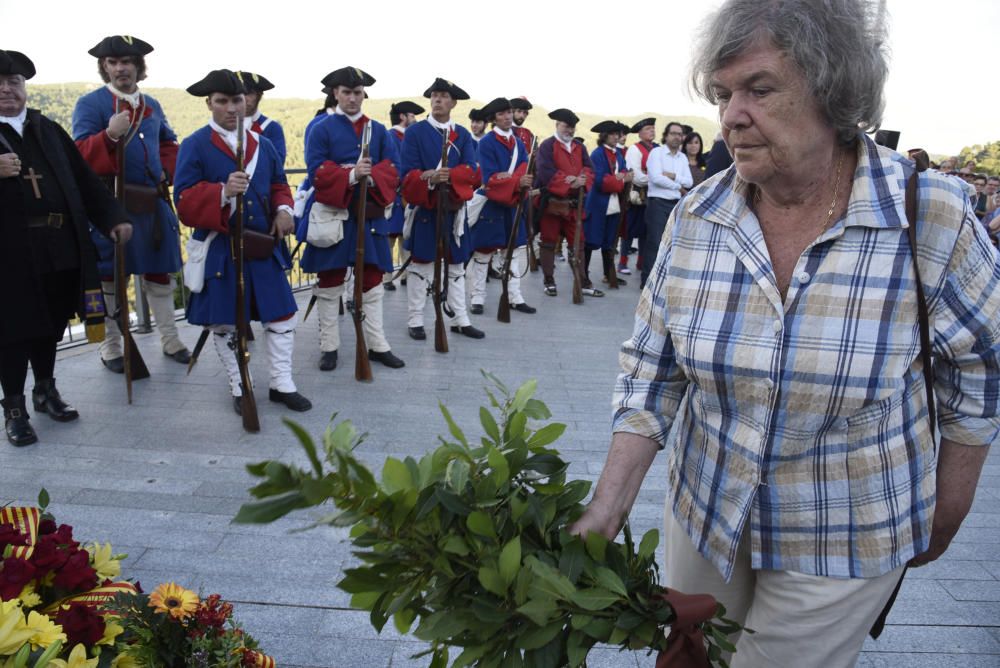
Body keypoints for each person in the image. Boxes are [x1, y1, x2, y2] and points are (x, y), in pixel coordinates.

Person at [572, 2, 999, 667]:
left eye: (759, 88)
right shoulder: (699, 214)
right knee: (694, 658)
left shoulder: (931, 215)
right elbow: (652, 371)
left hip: (846, 531)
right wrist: (609, 504)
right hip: (706, 512)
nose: (731, 114)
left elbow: (979, 371)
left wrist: (948, 507)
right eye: (722, 94)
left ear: (831, 88)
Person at [0, 49, 132, 446]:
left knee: (50, 324)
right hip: (9, 254)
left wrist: (113, 217)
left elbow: (84, 181)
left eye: (15, 82)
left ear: (24, 88)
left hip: (59, 247)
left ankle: (45, 391)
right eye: (0, 83)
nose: (7, 89)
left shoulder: (47, 130)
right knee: (11, 332)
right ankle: (15, 409)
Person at [173, 69, 311, 414]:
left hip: (262, 243)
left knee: (280, 317)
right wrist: (220, 193)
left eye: (237, 100)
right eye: (223, 101)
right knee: (227, 322)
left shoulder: (261, 144)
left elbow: (279, 182)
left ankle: (282, 383)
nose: (232, 108)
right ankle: (240, 385)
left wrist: (283, 209)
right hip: (222, 247)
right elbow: (184, 202)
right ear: (209, 103)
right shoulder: (194, 145)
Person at [72, 35, 190, 371]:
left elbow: (167, 142)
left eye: (128, 61)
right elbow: (79, 156)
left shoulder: (151, 104)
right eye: (113, 62)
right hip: (111, 204)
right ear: (105, 67)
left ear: (139, 66)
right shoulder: (91, 105)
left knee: (159, 274)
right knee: (110, 278)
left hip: (151, 201)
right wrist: (108, 136)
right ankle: (111, 347)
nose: (121, 68)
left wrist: (167, 170)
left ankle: (170, 340)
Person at [297, 66, 405, 372]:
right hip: (334, 215)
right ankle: (329, 346)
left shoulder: (379, 130)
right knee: (329, 281)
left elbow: (393, 168)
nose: (353, 99)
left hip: (368, 217)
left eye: (358, 93)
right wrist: (351, 173)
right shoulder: (321, 129)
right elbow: (316, 171)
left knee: (372, 281)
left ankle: (377, 344)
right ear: (336, 94)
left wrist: (369, 177)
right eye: (347, 93)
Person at [400, 77, 483, 342]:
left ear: (453, 102)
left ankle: (460, 319)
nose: (437, 100)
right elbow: (407, 174)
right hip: (426, 209)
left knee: (457, 266)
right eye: (434, 95)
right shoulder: (415, 132)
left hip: (454, 210)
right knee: (421, 266)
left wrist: (451, 176)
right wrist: (431, 178)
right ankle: (415, 319)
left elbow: (473, 172)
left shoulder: (463, 135)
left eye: (444, 96)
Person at [467, 97, 536, 316]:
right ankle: (477, 297)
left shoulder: (517, 142)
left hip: (512, 202)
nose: (507, 117)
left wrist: (514, 179)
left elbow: (524, 167)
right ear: (494, 119)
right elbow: (490, 178)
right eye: (502, 114)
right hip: (492, 204)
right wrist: (517, 181)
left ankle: (515, 296)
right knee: (483, 253)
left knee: (512, 252)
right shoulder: (486, 142)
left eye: (509, 113)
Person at [533, 108, 594, 297]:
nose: (570, 131)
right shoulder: (547, 146)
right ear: (557, 125)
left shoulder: (579, 147)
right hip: (552, 203)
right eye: (566, 127)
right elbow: (545, 172)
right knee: (549, 242)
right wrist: (568, 180)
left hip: (574, 204)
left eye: (572, 128)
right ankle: (549, 280)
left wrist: (582, 179)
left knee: (579, 243)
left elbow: (589, 169)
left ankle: (582, 280)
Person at [640, 121, 691, 288]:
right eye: (673, 133)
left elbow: (689, 182)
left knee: (672, 245)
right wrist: (678, 186)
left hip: (676, 205)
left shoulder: (682, 157)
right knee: (655, 243)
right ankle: (648, 282)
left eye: (679, 134)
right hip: (657, 204)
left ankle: (663, 282)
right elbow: (655, 178)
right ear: (666, 135)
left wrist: (673, 176)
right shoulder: (656, 153)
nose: (677, 137)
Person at [584, 120, 632, 290]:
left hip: (613, 204)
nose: (615, 137)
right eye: (612, 134)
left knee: (610, 242)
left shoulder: (618, 155)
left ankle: (608, 273)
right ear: (604, 136)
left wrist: (621, 177)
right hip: (598, 203)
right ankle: (584, 275)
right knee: (590, 241)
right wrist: (619, 180)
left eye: (617, 134)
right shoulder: (597, 154)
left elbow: (625, 173)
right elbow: (600, 181)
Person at [384, 100, 424, 291]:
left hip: (407, 195)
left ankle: (406, 274)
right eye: (412, 115)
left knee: (406, 237)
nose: (415, 119)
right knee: (390, 238)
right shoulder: (390, 137)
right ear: (403, 117)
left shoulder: (410, 138)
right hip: (394, 195)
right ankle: (386, 277)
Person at [620, 118, 657, 276]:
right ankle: (622, 262)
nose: (652, 131)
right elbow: (635, 175)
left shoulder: (657, 148)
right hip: (636, 195)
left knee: (646, 231)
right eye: (648, 128)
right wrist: (656, 178)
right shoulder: (634, 150)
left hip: (651, 195)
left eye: (653, 128)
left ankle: (641, 262)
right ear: (640, 133)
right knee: (629, 230)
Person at [237, 71, 286, 167]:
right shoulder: (225, 126)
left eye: (249, 94)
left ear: (259, 96)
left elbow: (277, 163)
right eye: (239, 94)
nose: (244, 98)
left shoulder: (272, 127)